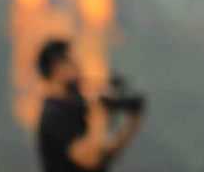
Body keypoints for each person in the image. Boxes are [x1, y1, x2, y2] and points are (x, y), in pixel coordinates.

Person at [36, 40, 143, 172]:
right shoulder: (54, 114)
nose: (78, 68)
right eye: (72, 63)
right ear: (57, 67)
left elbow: (105, 153)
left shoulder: (76, 107)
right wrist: (99, 117)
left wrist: (131, 125)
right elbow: (91, 158)